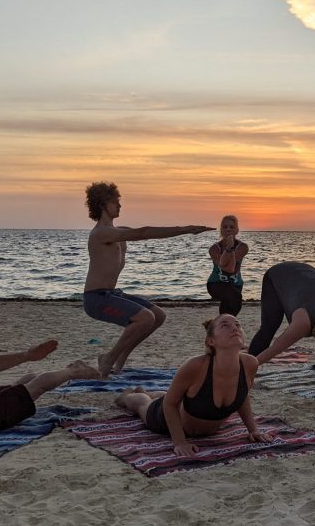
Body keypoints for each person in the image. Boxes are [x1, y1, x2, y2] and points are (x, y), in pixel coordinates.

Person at [82, 182, 213, 378]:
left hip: (110, 294)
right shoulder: (102, 233)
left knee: (158, 315)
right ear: (102, 204)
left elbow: (146, 233)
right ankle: (108, 358)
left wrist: (181, 231)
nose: (120, 205)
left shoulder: (116, 231)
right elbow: (142, 233)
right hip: (96, 299)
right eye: (115, 201)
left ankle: (119, 359)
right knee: (145, 318)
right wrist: (186, 229)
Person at [115, 314, 273, 455]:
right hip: (165, 420)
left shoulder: (250, 363)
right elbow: (170, 404)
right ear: (211, 341)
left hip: (195, 413)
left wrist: (253, 430)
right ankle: (128, 396)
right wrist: (179, 442)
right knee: (143, 404)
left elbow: (242, 395)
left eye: (238, 325)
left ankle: (151, 393)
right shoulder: (195, 366)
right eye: (225, 325)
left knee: (172, 396)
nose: (234, 328)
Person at [247, 261, 315, 373]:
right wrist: (251, 366)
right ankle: (247, 363)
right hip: (277, 274)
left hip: (307, 270)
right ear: (313, 330)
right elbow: (275, 349)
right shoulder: (302, 324)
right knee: (269, 327)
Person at [207, 215, 249, 316]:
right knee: (234, 296)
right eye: (225, 227)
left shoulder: (243, 247)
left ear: (237, 230)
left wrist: (230, 248)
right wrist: (229, 248)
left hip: (236, 284)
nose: (228, 229)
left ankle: (222, 324)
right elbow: (225, 268)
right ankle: (225, 323)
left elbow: (232, 269)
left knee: (229, 303)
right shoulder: (214, 249)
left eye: (231, 227)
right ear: (221, 230)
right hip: (216, 284)